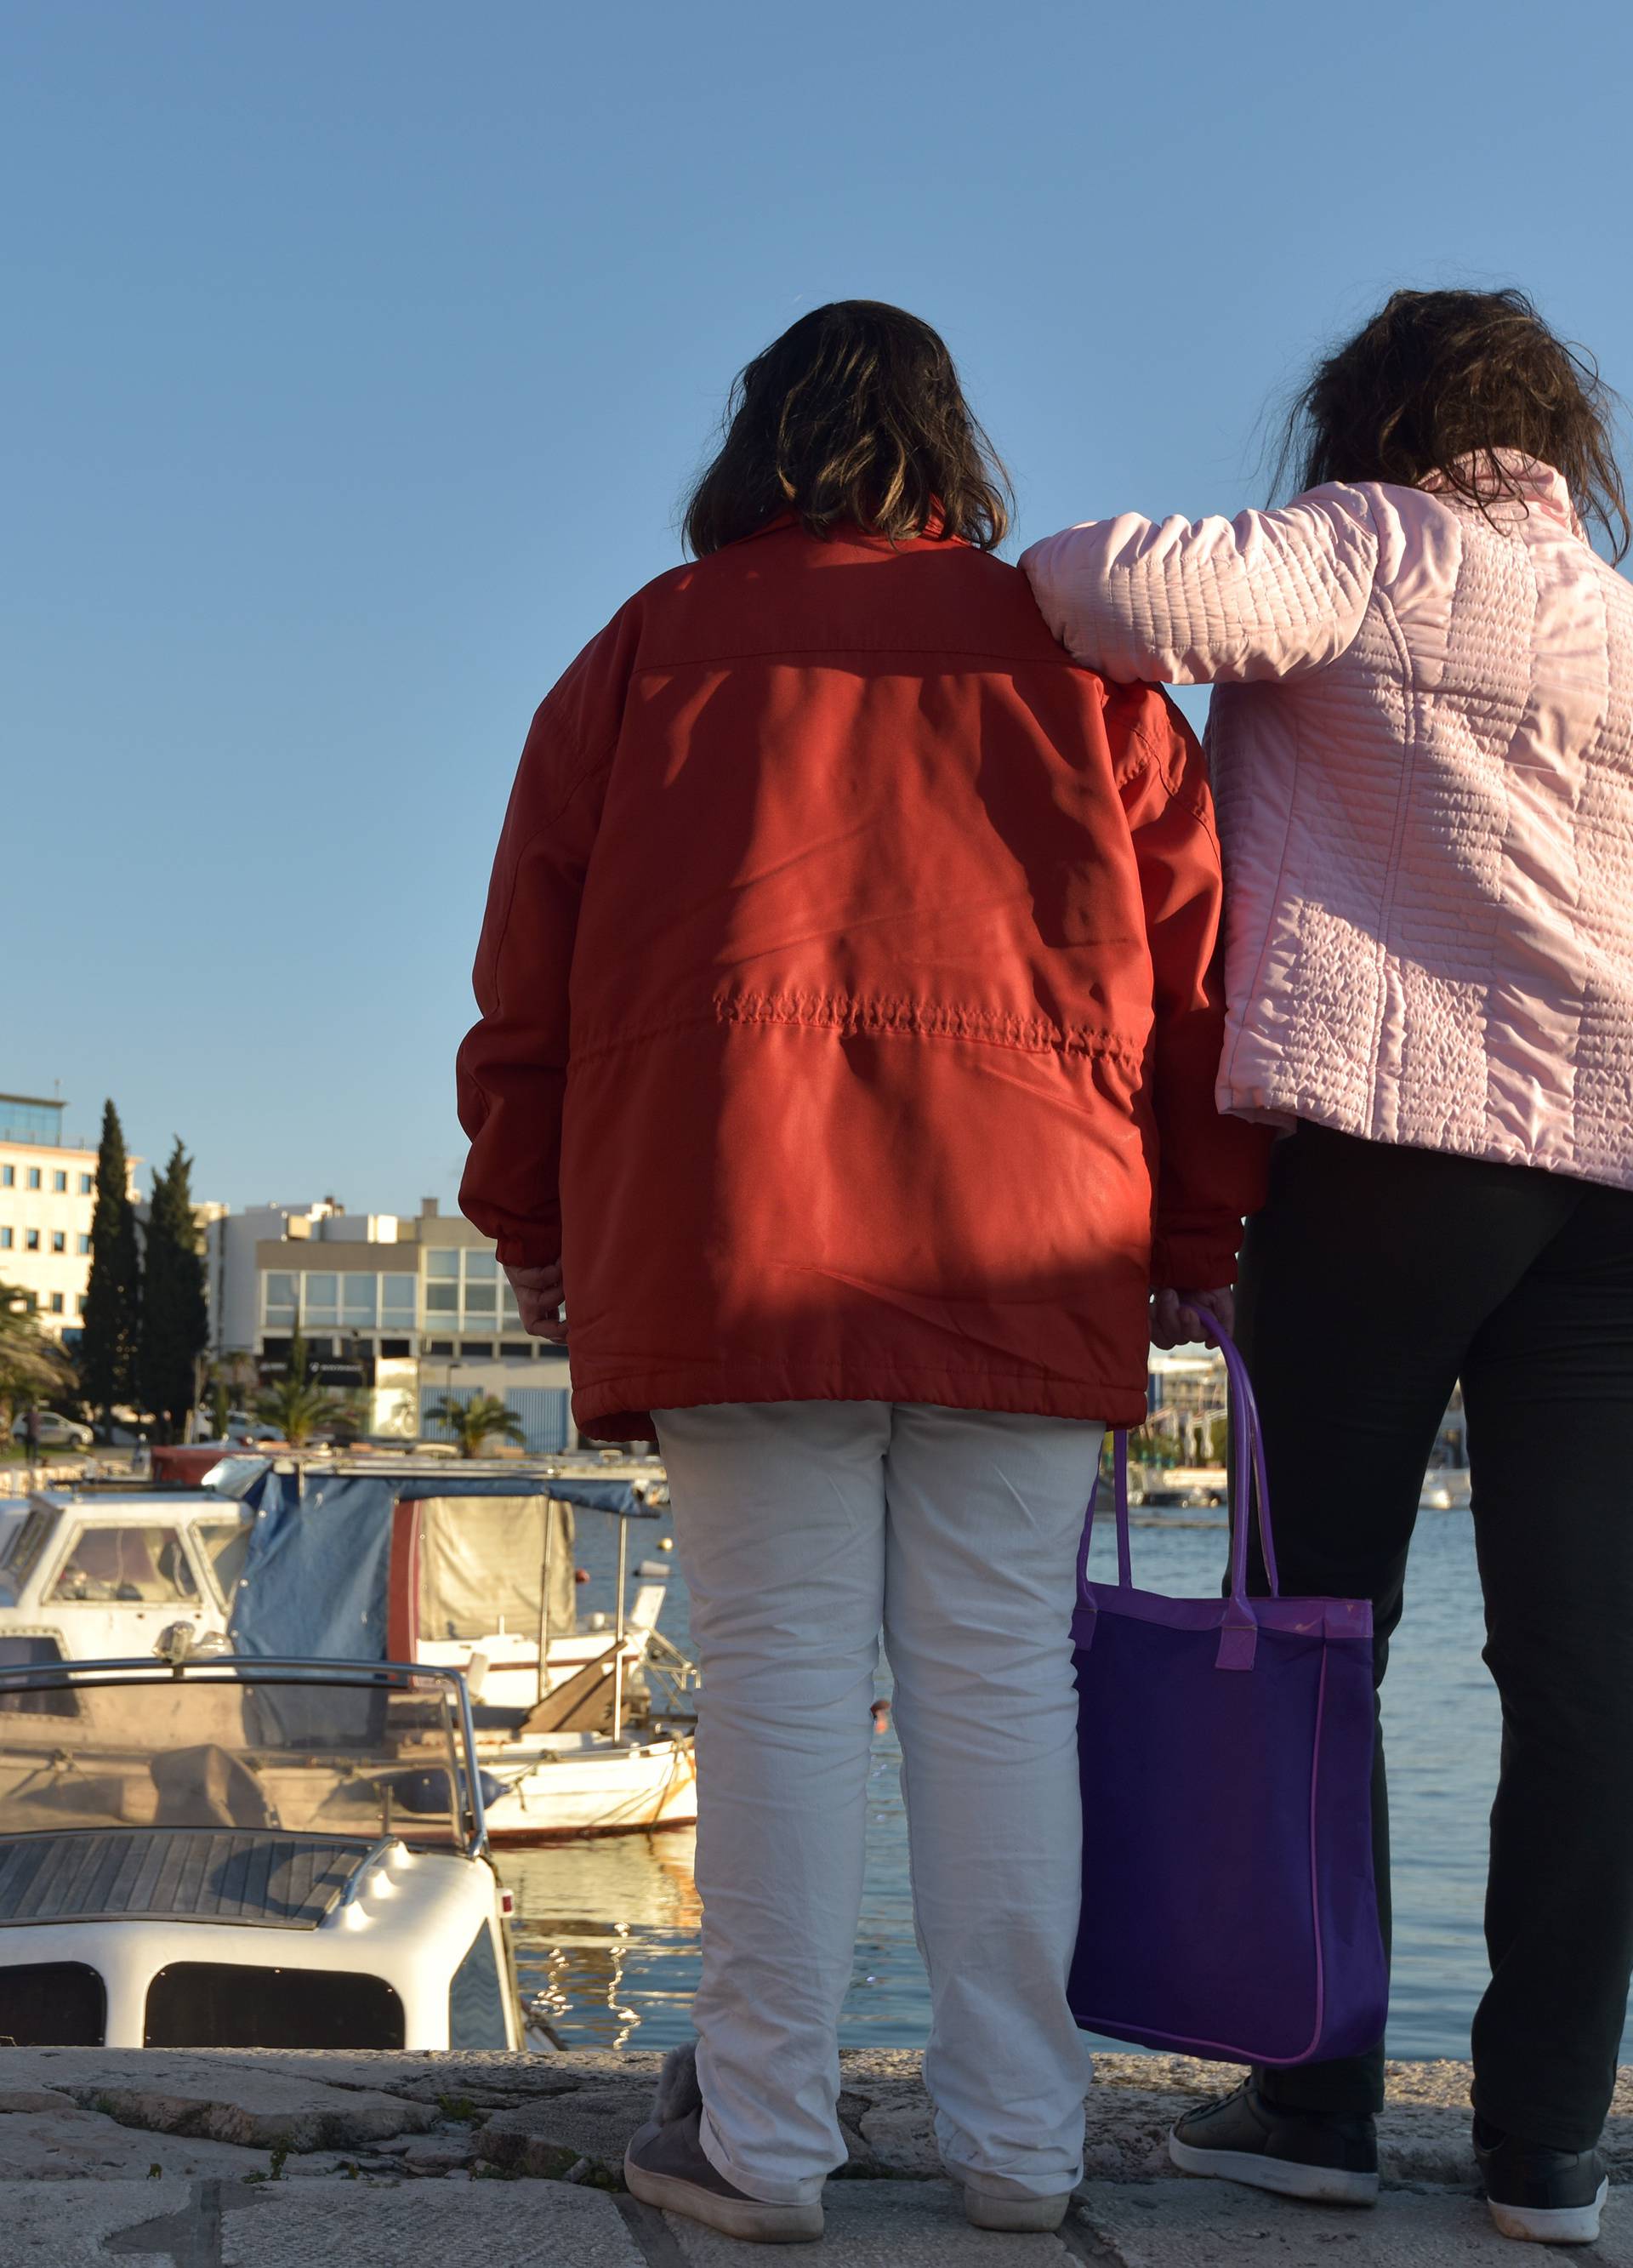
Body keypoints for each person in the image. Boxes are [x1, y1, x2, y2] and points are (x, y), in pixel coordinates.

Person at [457, 300, 1264, 2242]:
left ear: (761, 447)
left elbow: (528, 981)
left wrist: (539, 1221)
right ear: (947, 452)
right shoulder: (1081, 668)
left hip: (741, 1239)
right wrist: (1189, 1232)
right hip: (1027, 1229)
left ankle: (763, 2142)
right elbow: (1199, 978)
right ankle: (1020, 2146)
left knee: (779, 1685)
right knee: (1000, 1687)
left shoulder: (641, 655)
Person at [1022, 286, 1633, 2249]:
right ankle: (1547, 2140)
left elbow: (1109, 587)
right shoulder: (1621, 621)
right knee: (1587, 1660)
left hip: (1390, 1147)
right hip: (1616, 1182)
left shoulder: (1372, 545)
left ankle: (1316, 2096)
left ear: (1376, 417)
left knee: (1313, 1633)